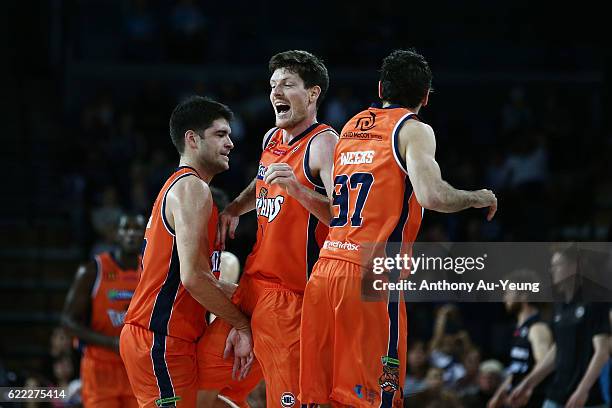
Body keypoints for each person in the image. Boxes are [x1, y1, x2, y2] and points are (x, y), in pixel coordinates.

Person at [299, 48, 497, 408]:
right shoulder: (414, 129)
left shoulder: (351, 126)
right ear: (425, 97)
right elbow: (432, 195)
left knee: (319, 398)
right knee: (377, 398)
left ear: (380, 88)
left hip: (325, 272)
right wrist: (475, 197)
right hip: (371, 277)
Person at [197, 50, 338, 407]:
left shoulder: (325, 144)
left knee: (288, 400)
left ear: (312, 94)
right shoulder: (271, 139)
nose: (276, 92)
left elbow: (344, 216)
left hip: (292, 296)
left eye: (287, 84)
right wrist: (235, 208)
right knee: (198, 377)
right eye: (273, 85)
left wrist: (298, 190)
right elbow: (261, 182)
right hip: (253, 287)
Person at [120, 96, 254, 408]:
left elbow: (186, 278)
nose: (231, 143)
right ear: (192, 139)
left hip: (170, 339)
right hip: (159, 338)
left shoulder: (180, 187)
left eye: (230, 135)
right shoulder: (193, 189)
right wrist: (241, 323)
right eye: (220, 135)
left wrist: (251, 295)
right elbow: (193, 278)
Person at [509, 245, 611, 408]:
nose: (552, 270)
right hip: (557, 395)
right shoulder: (560, 305)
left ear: (574, 267)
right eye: (552, 265)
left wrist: (582, 390)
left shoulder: (595, 301)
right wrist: (528, 383)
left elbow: (602, 352)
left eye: (558, 265)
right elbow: (557, 350)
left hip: (587, 399)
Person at [62, 213, 146, 407]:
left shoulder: (151, 269)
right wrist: (111, 343)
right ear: (115, 234)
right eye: (126, 229)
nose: (131, 234)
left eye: (137, 229)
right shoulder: (93, 270)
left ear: (145, 235)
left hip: (137, 367)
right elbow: (68, 322)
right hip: (99, 367)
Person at [487, 270, 553, 408]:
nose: (505, 298)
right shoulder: (519, 329)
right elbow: (517, 369)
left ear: (523, 296)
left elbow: (543, 364)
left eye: (508, 292)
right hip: (516, 398)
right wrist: (499, 393)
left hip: (533, 401)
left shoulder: (537, 328)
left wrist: (526, 387)